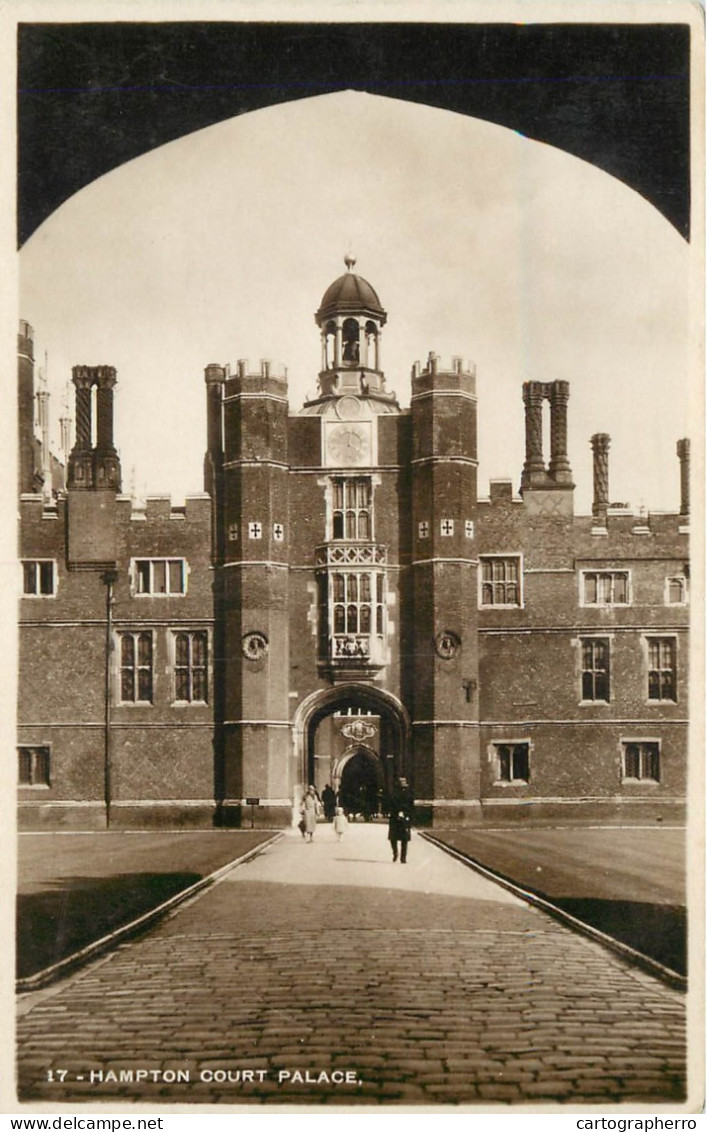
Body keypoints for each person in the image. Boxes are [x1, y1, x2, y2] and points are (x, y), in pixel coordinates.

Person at [388, 776, 414, 863]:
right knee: (393, 839)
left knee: (404, 839)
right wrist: (397, 812)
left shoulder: (409, 794)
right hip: (395, 818)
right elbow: (391, 804)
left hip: (405, 818)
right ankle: (395, 853)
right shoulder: (394, 794)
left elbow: (411, 806)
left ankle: (403, 857)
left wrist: (406, 814)